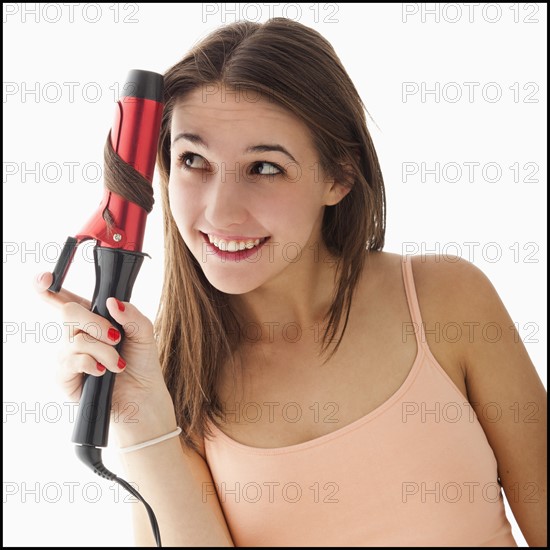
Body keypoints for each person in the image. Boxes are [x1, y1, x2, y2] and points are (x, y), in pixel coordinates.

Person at [35, 17, 546, 547]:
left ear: (339, 174)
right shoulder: (169, 376)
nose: (221, 212)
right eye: (194, 161)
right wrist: (142, 424)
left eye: (264, 168)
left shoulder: (446, 302)